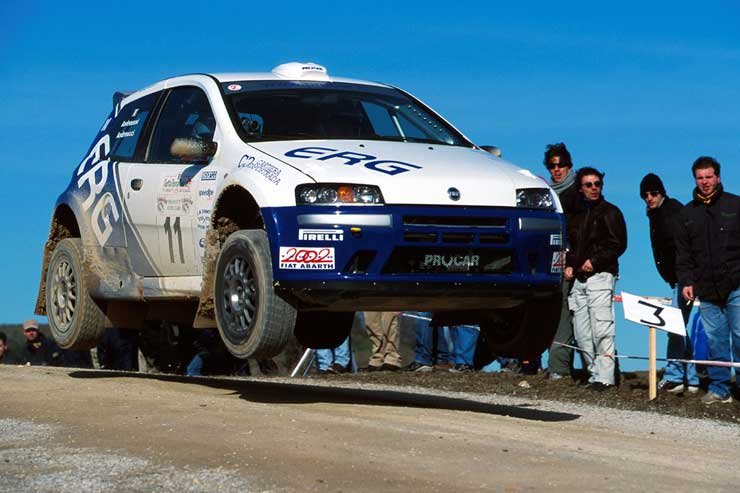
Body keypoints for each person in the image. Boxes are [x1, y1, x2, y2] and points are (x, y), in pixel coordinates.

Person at [675, 156, 740, 405]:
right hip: (706, 288)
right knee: (715, 341)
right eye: (700, 178)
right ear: (695, 179)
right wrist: (687, 281)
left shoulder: (735, 205)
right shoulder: (687, 213)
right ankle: (720, 387)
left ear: (718, 177)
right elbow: (684, 254)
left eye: (709, 177)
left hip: (735, 284)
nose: (705, 182)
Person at [565, 167, 627, 391]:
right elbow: (570, 245)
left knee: (602, 328)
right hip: (579, 280)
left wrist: (595, 261)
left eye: (597, 183)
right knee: (582, 332)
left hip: (601, 276)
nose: (594, 188)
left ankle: (606, 377)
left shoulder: (611, 212)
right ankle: (592, 374)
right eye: (588, 184)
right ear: (580, 188)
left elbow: (617, 244)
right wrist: (570, 264)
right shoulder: (576, 216)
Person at [640, 173, 699, 394]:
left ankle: (675, 376)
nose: (649, 198)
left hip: (685, 279)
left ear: (661, 192)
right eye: (645, 195)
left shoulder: (671, 212)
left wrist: (686, 278)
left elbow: (683, 247)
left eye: (653, 193)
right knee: (678, 326)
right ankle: (690, 377)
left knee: (673, 325)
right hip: (677, 278)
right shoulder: (656, 214)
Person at [543, 143, 582, 380]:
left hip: (579, 263)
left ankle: (599, 371)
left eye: (561, 165)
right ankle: (558, 366)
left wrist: (575, 258)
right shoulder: (547, 193)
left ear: (569, 166)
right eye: (552, 166)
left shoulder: (580, 192)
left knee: (587, 322)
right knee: (558, 314)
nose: (557, 170)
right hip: (555, 260)